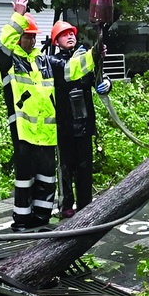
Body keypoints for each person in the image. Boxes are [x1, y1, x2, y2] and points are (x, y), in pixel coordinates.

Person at [0, 0, 102, 231]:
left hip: (46, 133)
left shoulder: (44, 61)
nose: (31, 40)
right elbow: (2, 44)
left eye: (33, 36)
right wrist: (18, 17)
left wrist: (93, 56)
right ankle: (22, 222)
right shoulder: (9, 61)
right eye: (27, 36)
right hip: (23, 132)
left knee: (46, 180)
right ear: (19, 36)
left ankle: (42, 221)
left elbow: (70, 69)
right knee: (25, 181)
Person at [50, 20, 112, 218]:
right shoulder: (54, 63)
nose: (70, 36)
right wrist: (93, 55)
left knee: (85, 167)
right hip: (64, 125)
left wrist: (107, 84)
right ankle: (66, 205)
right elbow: (70, 69)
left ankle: (85, 205)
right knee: (66, 167)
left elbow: (99, 78)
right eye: (64, 34)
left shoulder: (85, 59)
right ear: (56, 41)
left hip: (84, 124)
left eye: (72, 33)